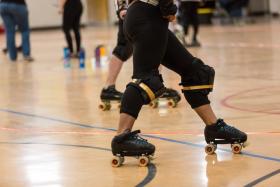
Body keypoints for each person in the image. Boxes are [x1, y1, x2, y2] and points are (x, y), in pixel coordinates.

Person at [111, 0, 247, 162]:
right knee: (146, 80)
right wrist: (168, 8)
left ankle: (213, 127)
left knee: (195, 73)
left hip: (150, 17)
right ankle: (121, 137)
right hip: (146, 17)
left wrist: (122, 7)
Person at [100, 0, 181, 106]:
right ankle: (109, 87)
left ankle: (155, 85)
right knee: (124, 48)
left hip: (147, 10)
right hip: (135, 10)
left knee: (155, 44)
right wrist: (121, 7)